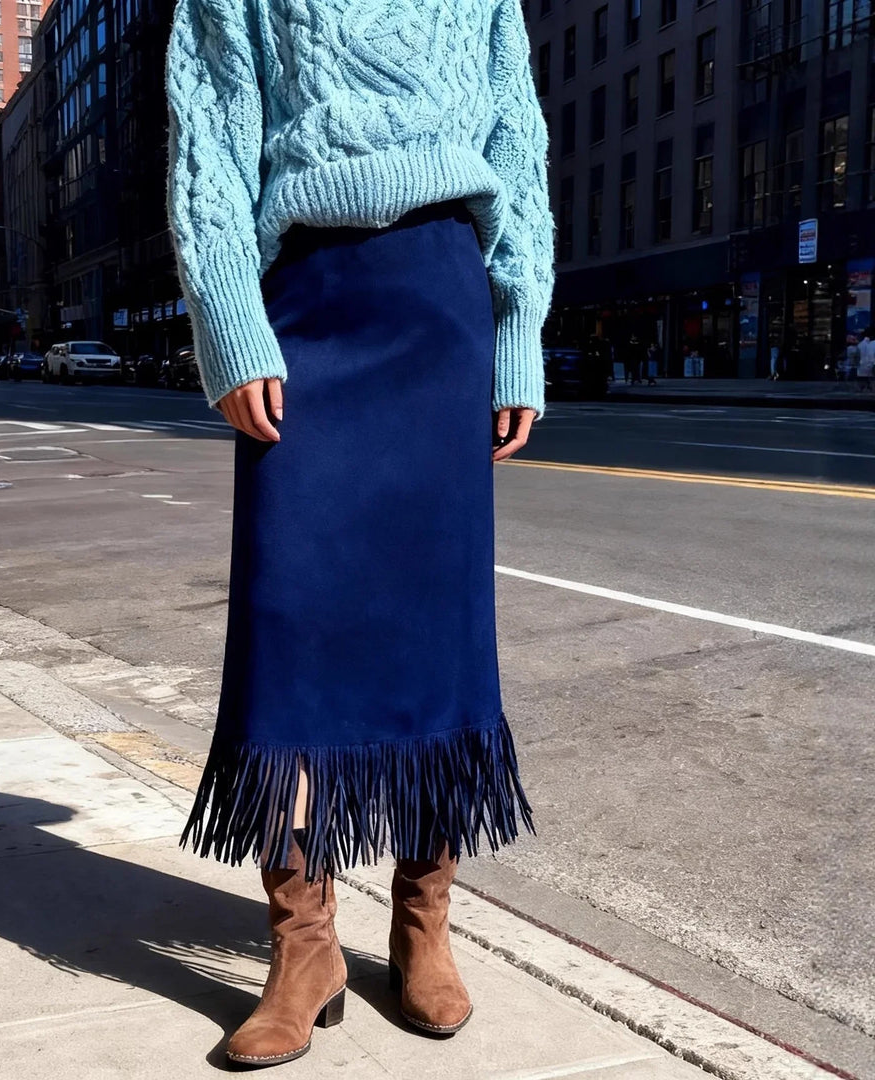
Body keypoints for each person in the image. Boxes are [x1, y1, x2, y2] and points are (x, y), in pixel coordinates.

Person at [166, 0, 551, 1067]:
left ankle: (423, 922)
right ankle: (304, 945)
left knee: (438, 627)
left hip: (440, 298)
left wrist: (518, 333)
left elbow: (517, 143)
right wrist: (230, 324)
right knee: (290, 626)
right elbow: (210, 143)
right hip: (305, 302)